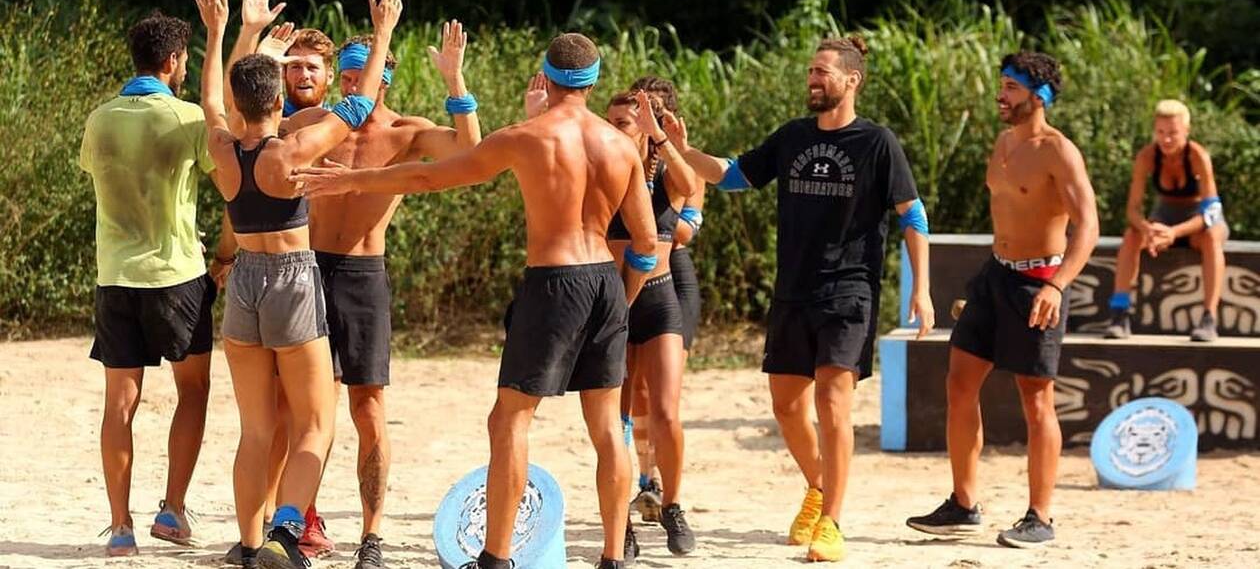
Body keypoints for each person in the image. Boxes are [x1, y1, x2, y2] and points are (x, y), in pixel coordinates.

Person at [294, 32, 657, 569]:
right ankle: (612, 556)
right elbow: (646, 244)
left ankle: (496, 557)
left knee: (510, 419)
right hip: (604, 281)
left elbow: (429, 176)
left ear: (546, 76)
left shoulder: (528, 136)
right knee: (606, 428)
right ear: (594, 81)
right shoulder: (622, 145)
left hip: (553, 282)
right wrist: (622, 300)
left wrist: (354, 180)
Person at [678, 36, 934, 562]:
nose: (813, 80)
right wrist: (676, 149)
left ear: (851, 80)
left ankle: (832, 522)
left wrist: (922, 289)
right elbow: (732, 176)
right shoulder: (793, 136)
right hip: (793, 289)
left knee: (833, 401)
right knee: (787, 406)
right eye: (811, 72)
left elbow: (912, 215)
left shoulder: (878, 142)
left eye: (822, 72)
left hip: (850, 288)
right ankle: (818, 487)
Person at [195, 0, 399, 569]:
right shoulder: (291, 150)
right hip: (290, 279)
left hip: (244, 283)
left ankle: (249, 543)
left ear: (240, 102)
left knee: (257, 430)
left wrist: (223, 34)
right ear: (278, 99)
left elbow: (212, 98)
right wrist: (383, 33)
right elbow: (358, 107)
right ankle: (285, 532)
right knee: (315, 424)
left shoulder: (223, 149)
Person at [279, 20, 482, 568]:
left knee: (367, 408)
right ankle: (299, 521)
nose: (352, 87)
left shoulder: (405, 133)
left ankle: (371, 535)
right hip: (309, 268)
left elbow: (470, 150)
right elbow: (247, 129)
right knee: (304, 407)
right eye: (345, 78)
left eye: (361, 77)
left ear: (382, 80)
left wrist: (456, 80)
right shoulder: (316, 124)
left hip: (363, 275)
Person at [906, 52, 1099, 550]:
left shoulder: (1059, 151)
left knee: (1036, 401)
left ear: (1039, 96)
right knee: (959, 383)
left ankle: (1040, 517)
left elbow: (1088, 227)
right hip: (994, 276)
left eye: (1011, 88)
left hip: (1039, 283)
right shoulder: (1004, 142)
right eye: (1001, 85)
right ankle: (963, 504)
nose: (1000, 95)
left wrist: (1056, 286)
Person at [80, 10, 233, 556]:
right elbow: (232, 191)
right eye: (185, 58)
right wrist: (223, 256)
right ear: (172, 60)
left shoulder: (99, 119)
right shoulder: (188, 118)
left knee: (120, 404)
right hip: (176, 276)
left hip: (115, 276)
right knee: (193, 390)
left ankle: (120, 526)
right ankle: (172, 509)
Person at [604, 84, 702, 558]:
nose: (614, 131)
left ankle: (673, 505)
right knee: (614, 420)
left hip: (660, 298)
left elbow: (689, 184)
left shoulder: (666, 173)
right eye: (610, 123)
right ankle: (619, 521)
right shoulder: (603, 170)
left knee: (665, 411)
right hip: (614, 301)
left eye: (623, 123)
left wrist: (659, 137)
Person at [1103, 99, 1227, 341]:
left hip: (1197, 221)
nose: (1166, 139)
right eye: (1160, 132)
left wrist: (1174, 233)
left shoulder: (1198, 156)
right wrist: (1147, 229)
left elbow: (1211, 211)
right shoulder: (1147, 157)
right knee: (1131, 236)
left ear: (1186, 131)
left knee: (1213, 238)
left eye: (1173, 133)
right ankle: (1119, 313)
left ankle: (1209, 318)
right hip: (1164, 216)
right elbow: (1133, 210)